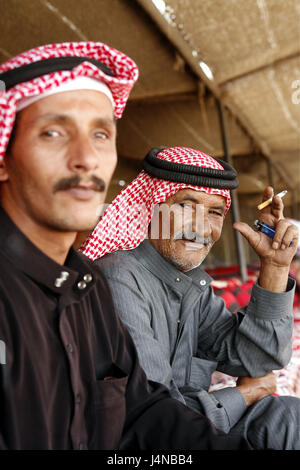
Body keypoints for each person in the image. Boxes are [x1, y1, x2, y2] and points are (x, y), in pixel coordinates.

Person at [0, 42, 253, 451]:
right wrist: (246, 395)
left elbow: (142, 412)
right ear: (3, 159)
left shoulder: (88, 287)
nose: (87, 158)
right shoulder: (114, 276)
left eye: (101, 134)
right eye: (52, 132)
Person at [82, 146, 300, 450]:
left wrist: (275, 267)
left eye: (213, 212)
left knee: (289, 420)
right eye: (186, 205)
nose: (201, 228)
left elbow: (259, 357)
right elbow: (156, 420)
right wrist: (245, 395)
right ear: (151, 209)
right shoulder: (118, 276)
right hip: (140, 445)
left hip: (188, 428)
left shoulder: (189, 285)